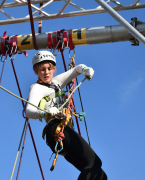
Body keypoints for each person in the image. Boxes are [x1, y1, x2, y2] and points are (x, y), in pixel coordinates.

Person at [26, 51, 107, 180]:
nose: (46, 72)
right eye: (42, 69)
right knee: (94, 162)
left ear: (54, 69)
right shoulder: (36, 88)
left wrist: (86, 69)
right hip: (56, 128)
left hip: (63, 130)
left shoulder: (57, 81)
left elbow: (77, 69)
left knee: (100, 176)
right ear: (36, 70)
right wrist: (45, 112)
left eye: (49, 68)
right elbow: (29, 111)